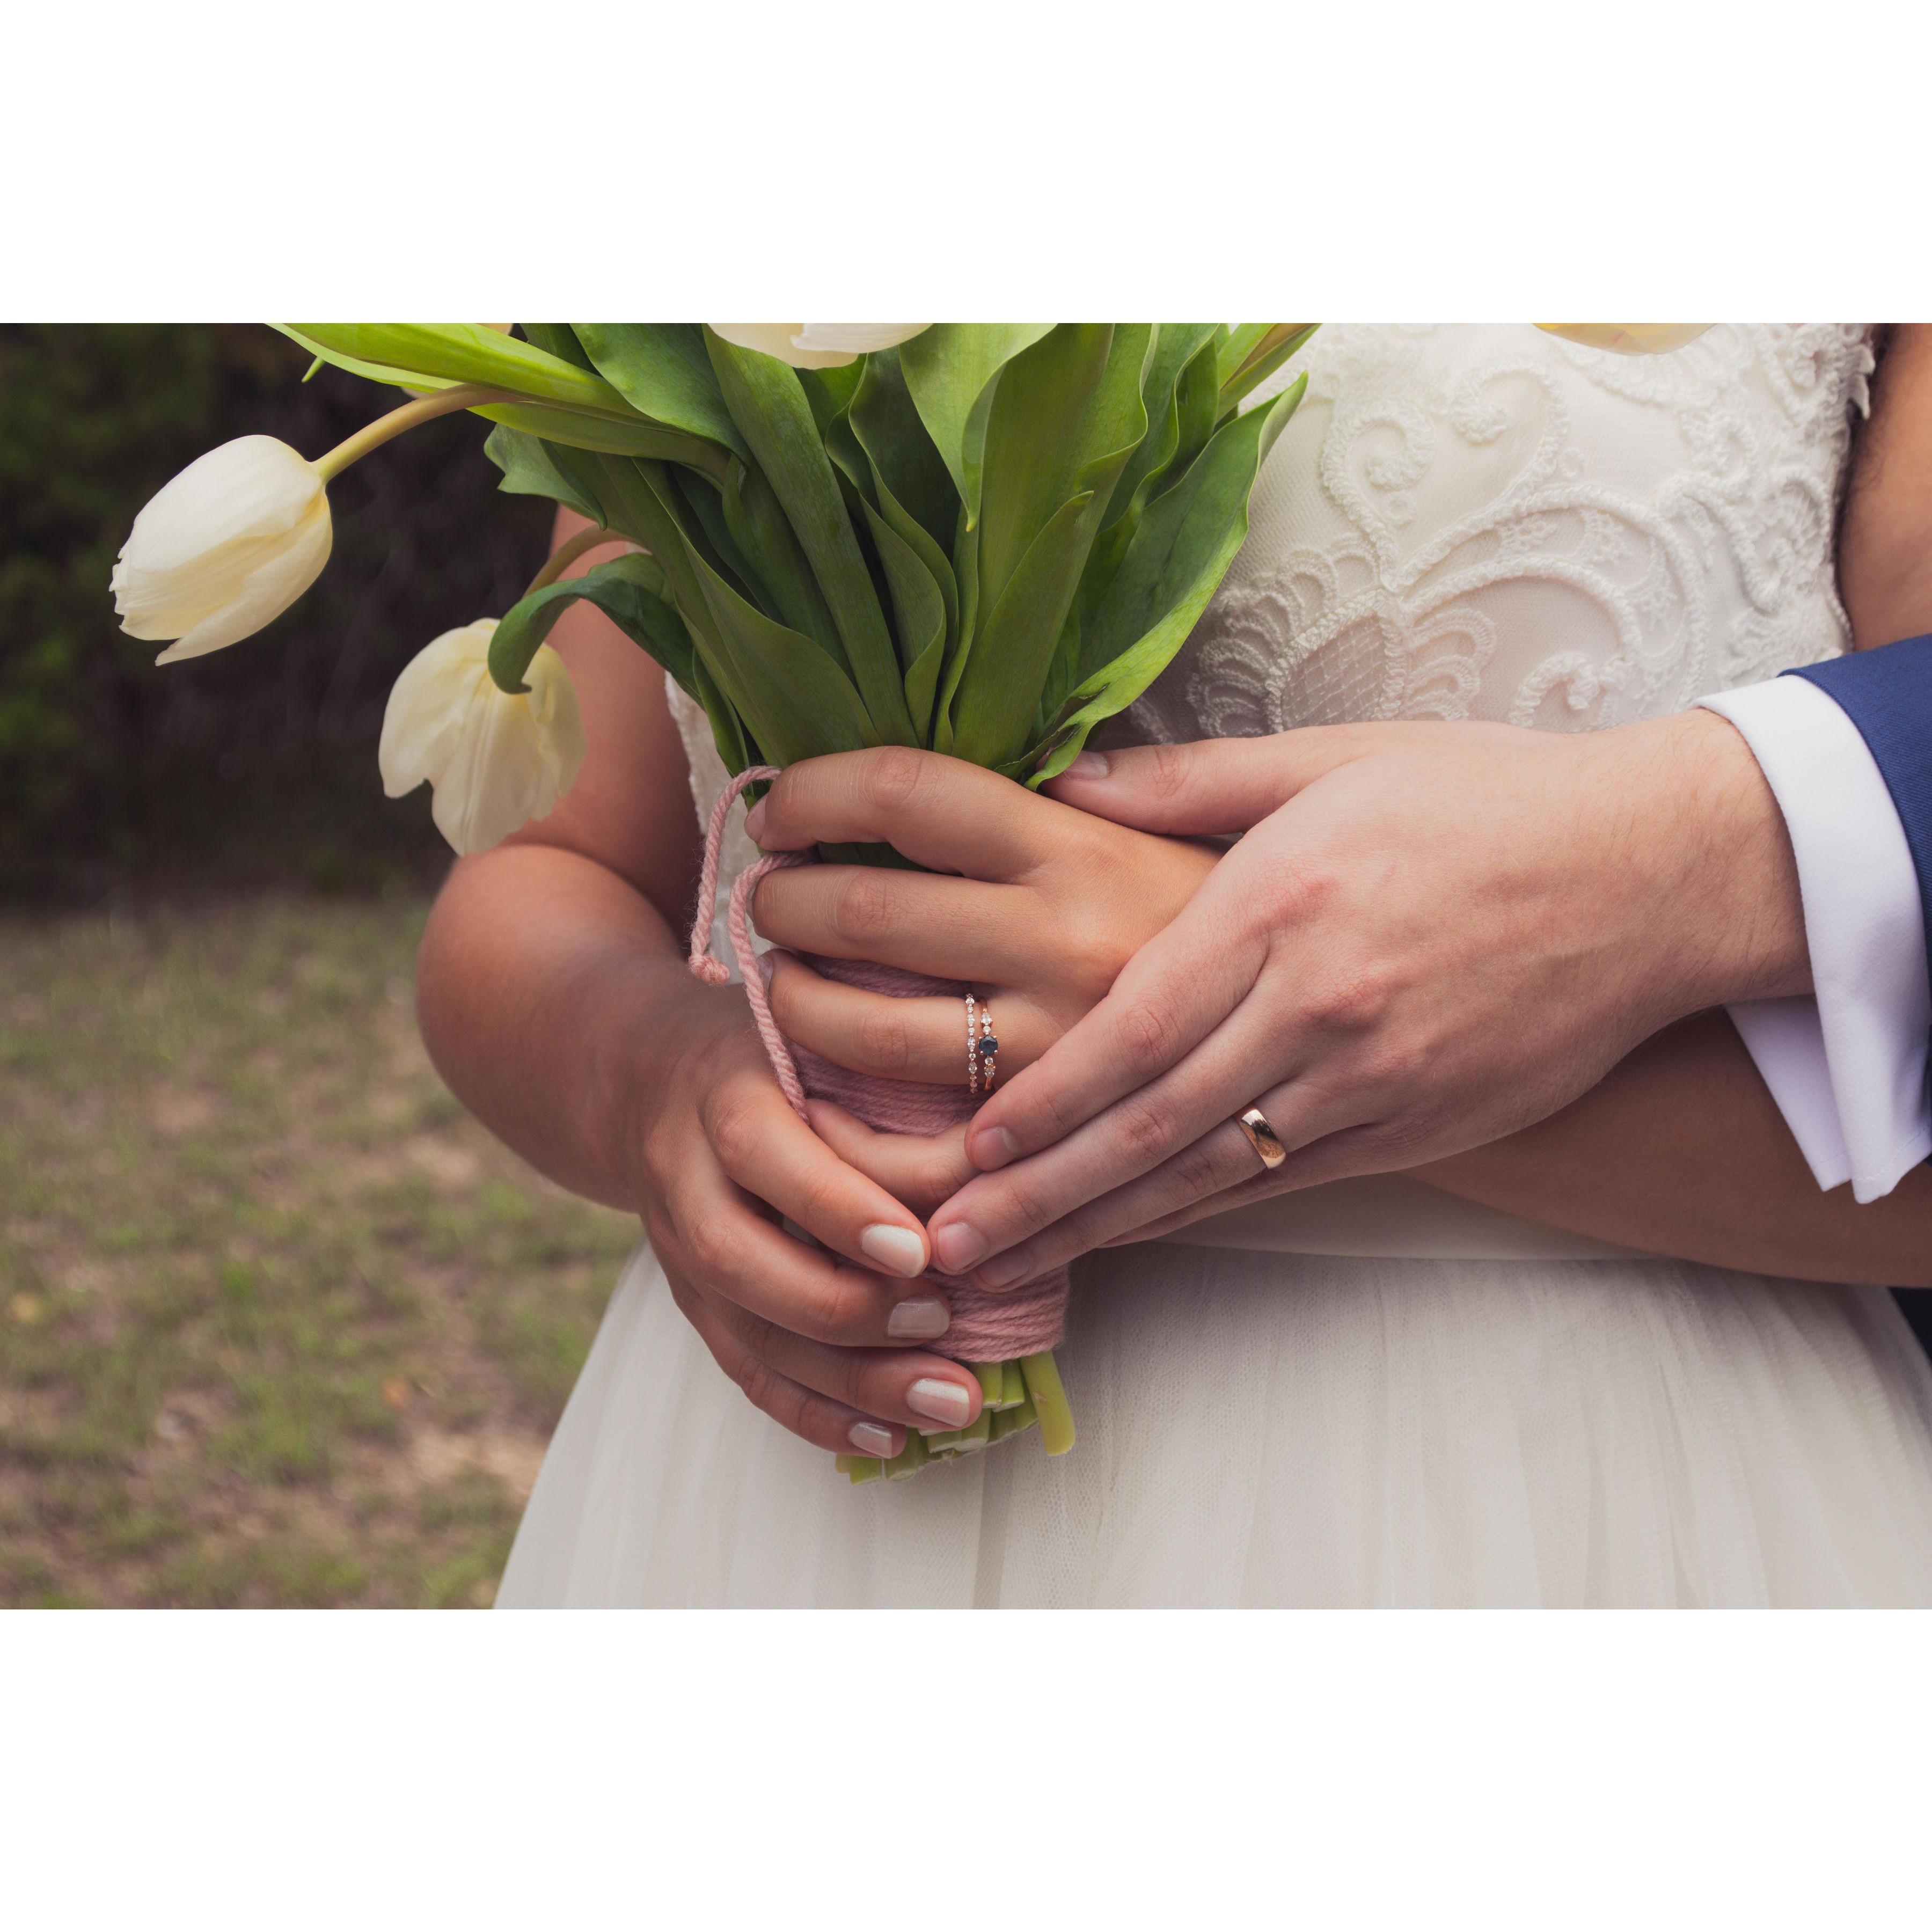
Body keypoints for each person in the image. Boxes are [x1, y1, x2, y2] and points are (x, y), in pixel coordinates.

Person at [435, 324, 1932, 1606]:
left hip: (1582, 1492)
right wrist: (649, 1078)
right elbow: (543, 878)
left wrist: (1287, 1020)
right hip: (817, 1487)